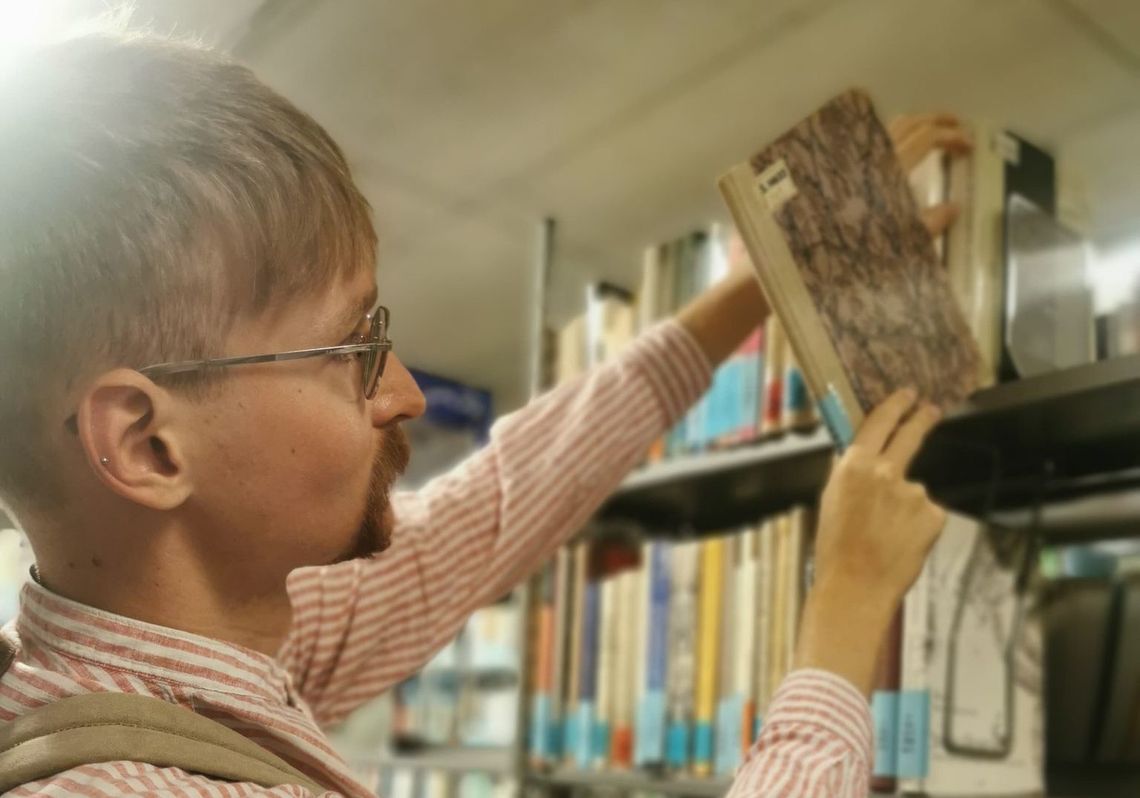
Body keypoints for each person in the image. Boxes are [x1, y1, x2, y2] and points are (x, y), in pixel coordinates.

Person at [0, 28, 967, 798]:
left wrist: (750, 290)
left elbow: (493, 509)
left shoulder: (205, 653)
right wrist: (844, 615)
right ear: (146, 443)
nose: (404, 392)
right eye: (356, 349)